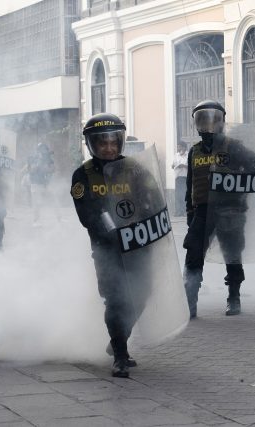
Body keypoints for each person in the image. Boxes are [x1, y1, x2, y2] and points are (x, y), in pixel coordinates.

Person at [71, 113, 159, 378]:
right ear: (92, 145)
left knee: (142, 294)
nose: (108, 148)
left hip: (139, 245)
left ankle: (117, 339)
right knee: (116, 300)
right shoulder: (82, 175)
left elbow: (153, 200)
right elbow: (86, 214)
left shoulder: (135, 168)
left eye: (113, 142)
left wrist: (148, 221)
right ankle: (121, 355)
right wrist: (109, 232)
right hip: (107, 249)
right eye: (102, 143)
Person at [183, 100, 255, 318]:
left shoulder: (233, 146)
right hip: (202, 210)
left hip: (230, 210)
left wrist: (234, 178)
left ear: (222, 122)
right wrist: (190, 214)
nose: (208, 124)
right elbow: (189, 184)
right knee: (193, 254)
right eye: (202, 119)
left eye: (213, 119)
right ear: (196, 124)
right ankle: (190, 301)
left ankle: (233, 297)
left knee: (232, 253)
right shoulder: (194, 151)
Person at [27, 142, 57, 225]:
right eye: (42, 149)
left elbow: (53, 169)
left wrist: (46, 168)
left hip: (46, 184)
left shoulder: (48, 158)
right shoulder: (32, 158)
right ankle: (36, 221)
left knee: (54, 200)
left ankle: (58, 219)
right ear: (38, 150)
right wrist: (39, 163)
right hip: (35, 184)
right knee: (37, 203)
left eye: (45, 149)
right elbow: (31, 170)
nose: (44, 151)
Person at [171, 142, 188, 216]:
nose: (178, 148)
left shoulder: (188, 155)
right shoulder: (176, 155)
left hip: (185, 177)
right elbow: (172, 165)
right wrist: (174, 165)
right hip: (178, 177)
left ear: (184, 147)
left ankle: (185, 211)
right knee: (178, 195)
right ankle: (179, 211)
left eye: (179, 147)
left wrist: (184, 166)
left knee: (185, 195)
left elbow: (190, 166)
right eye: (178, 147)